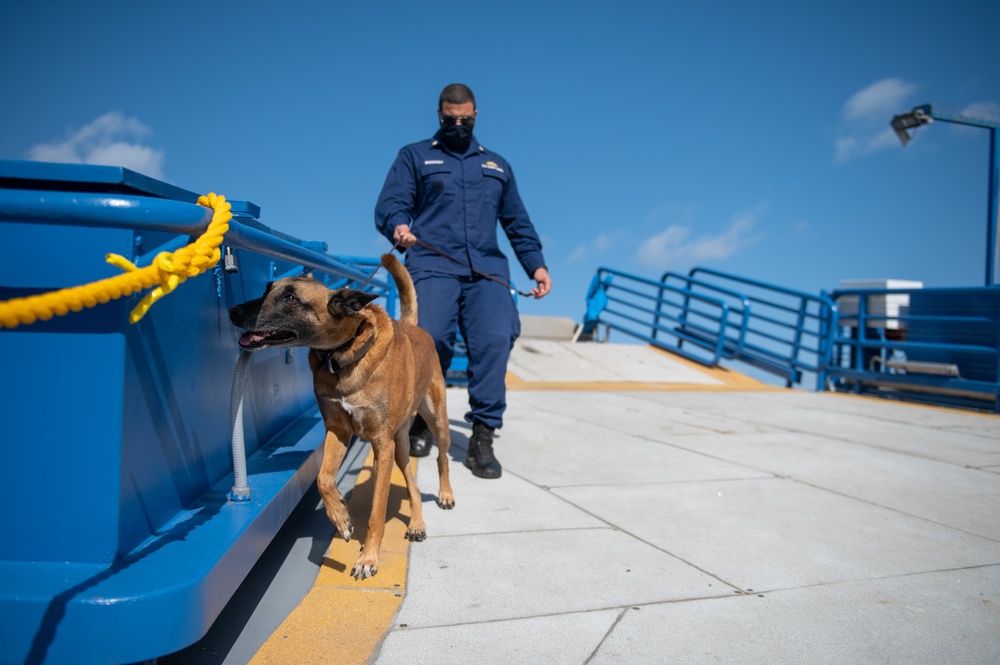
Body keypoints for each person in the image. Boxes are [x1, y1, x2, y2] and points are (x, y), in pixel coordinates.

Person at [374, 83, 551, 479]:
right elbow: (391, 202)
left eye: (465, 119)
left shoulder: (498, 166)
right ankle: (420, 419)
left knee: (493, 340)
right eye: (450, 119)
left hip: (486, 270)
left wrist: (536, 266)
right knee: (429, 338)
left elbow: (517, 221)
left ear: (475, 115)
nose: (458, 124)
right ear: (439, 115)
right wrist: (398, 225)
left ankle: (482, 436)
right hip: (433, 263)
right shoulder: (415, 156)